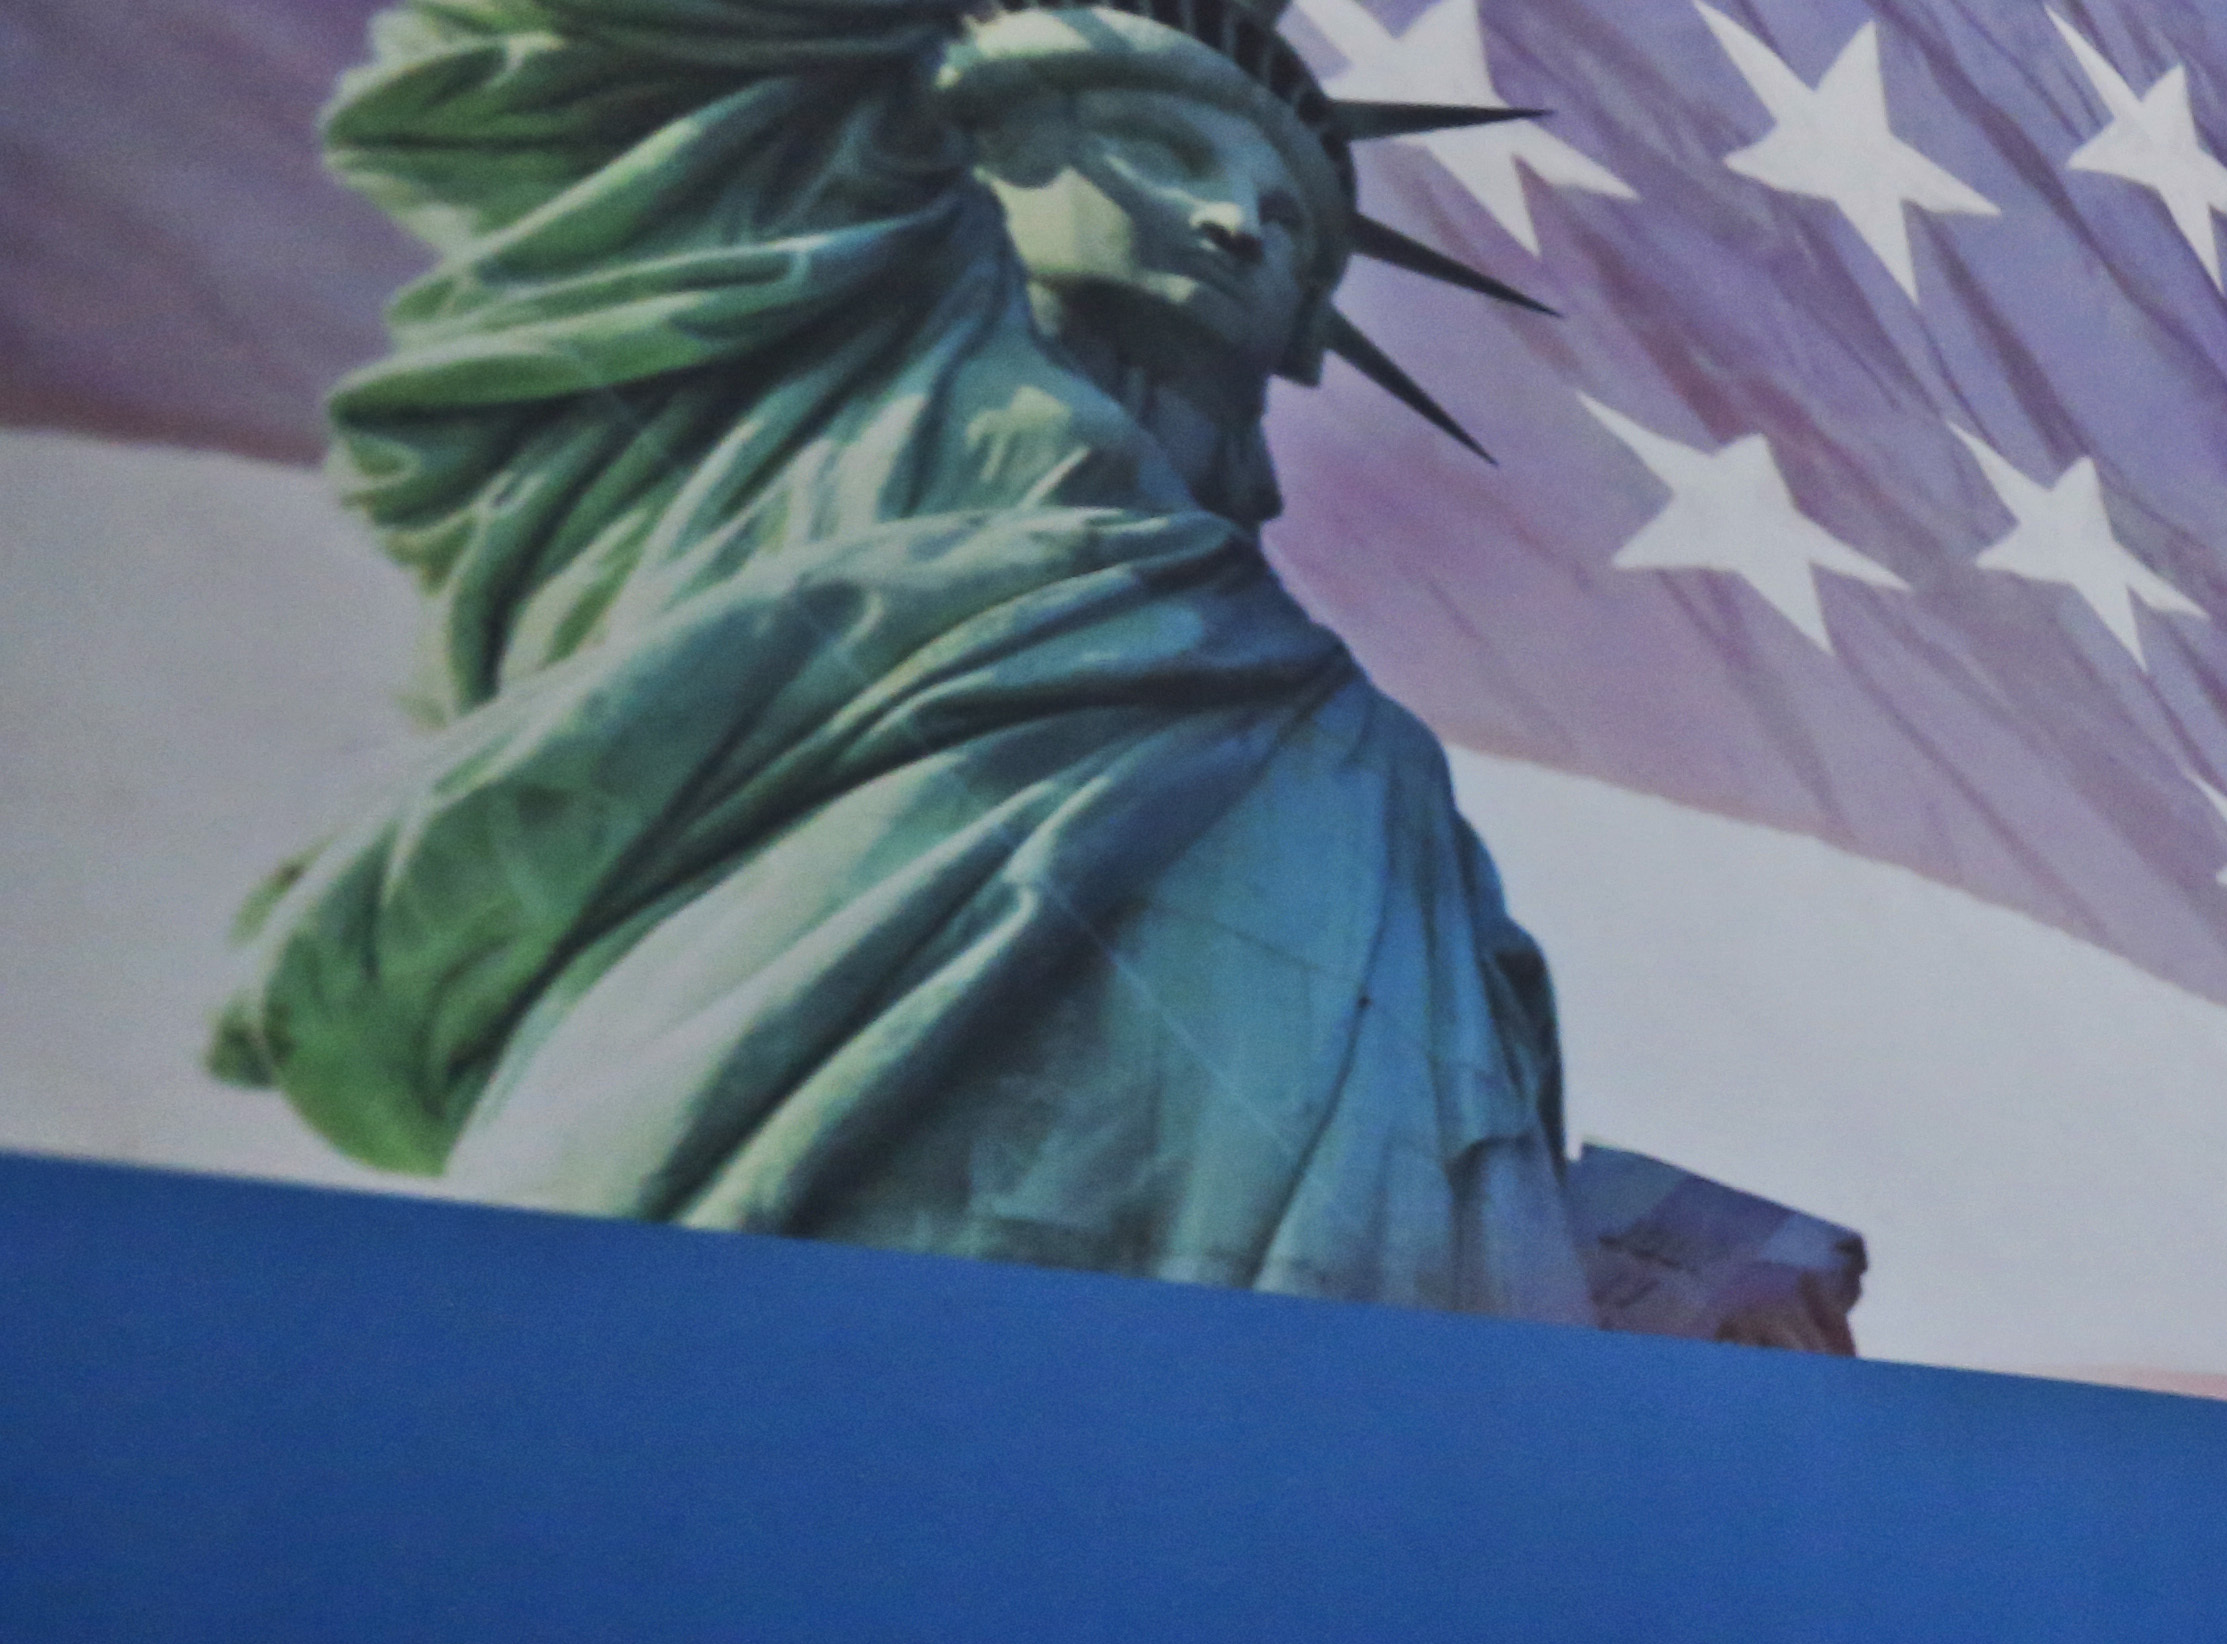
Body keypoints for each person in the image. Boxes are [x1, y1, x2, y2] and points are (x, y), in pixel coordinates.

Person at [210, 0, 1858, 1347]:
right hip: (774, 1309)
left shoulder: (1336, 732)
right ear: (961, 143)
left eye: (1287, 223)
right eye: (1157, 150)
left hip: (1263, 1510)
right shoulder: (840, 385)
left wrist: (1647, 1265)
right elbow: (629, 68)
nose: (1238, 223)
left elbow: (1395, 1186)